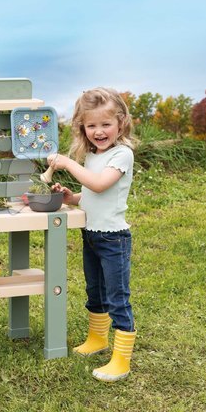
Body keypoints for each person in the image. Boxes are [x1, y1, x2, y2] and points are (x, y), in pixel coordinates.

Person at [46, 87, 139, 382]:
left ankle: (121, 360)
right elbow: (90, 194)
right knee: (94, 292)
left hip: (114, 239)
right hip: (92, 234)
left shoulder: (122, 155)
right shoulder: (92, 157)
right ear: (82, 127)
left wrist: (67, 163)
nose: (99, 131)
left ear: (120, 123)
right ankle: (97, 339)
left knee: (117, 297)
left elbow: (100, 184)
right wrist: (70, 197)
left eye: (105, 124)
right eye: (91, 125)